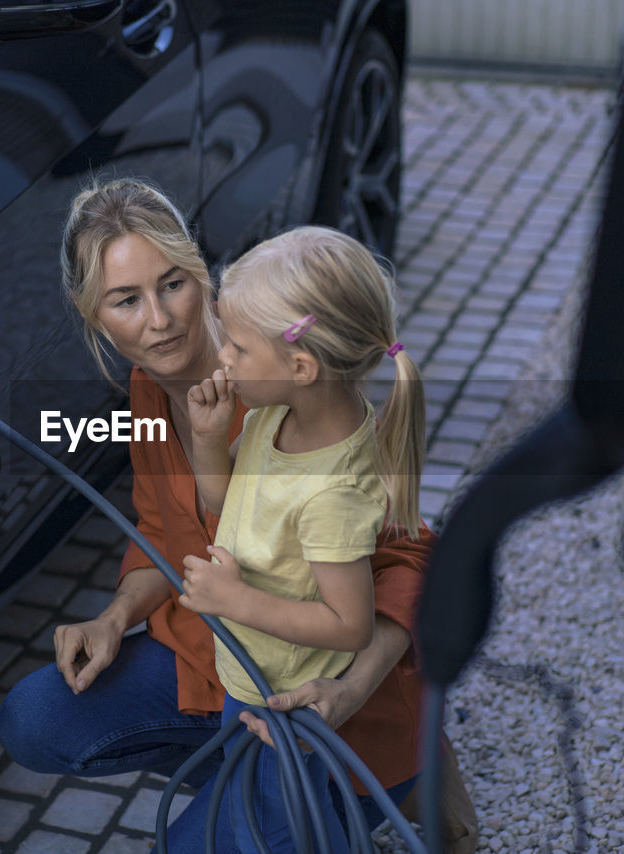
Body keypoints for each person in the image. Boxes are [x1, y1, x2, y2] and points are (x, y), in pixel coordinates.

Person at [0, 178, 434, 852]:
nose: (161, 319)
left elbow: (408, 555)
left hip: (321, 697)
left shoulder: (281, 383)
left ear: (201, 271)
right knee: (32, 719)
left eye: (172, 283)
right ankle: (248, 796)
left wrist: (350, 688)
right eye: (126, 300)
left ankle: (303, 804)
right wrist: (115, 615)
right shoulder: (147, 389)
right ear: (94, 317)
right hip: (217, 668)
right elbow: (158, 530)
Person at [179, 225, 426, 853]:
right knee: (271, 811)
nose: (223, 360)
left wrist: (236, 603)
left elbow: (350, 626)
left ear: (300, 365)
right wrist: (208, 441)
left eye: (236, 346)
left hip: (285, 699)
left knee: (281, 830)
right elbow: (223, 500)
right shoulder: (271, 416)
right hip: (250, 674)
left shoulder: (334, 491)